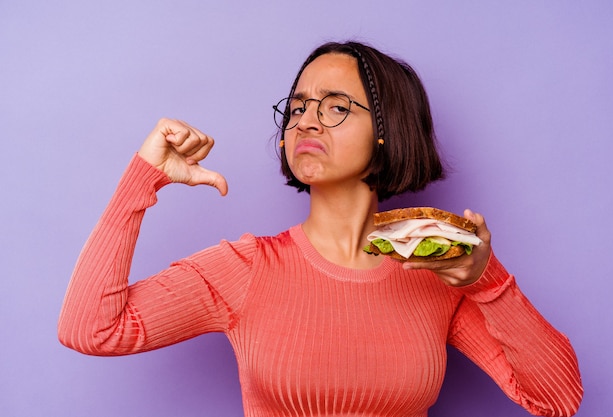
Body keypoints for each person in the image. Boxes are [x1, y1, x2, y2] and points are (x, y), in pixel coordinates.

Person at [58, 41, 583, 416]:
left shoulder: (436, 275)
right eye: (298, 107)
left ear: (387, 129)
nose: (306, 120)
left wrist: (485, 279)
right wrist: (142, 179)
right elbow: (90, 329)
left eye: (336, 107)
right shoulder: (244, 269)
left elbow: (557, 400)